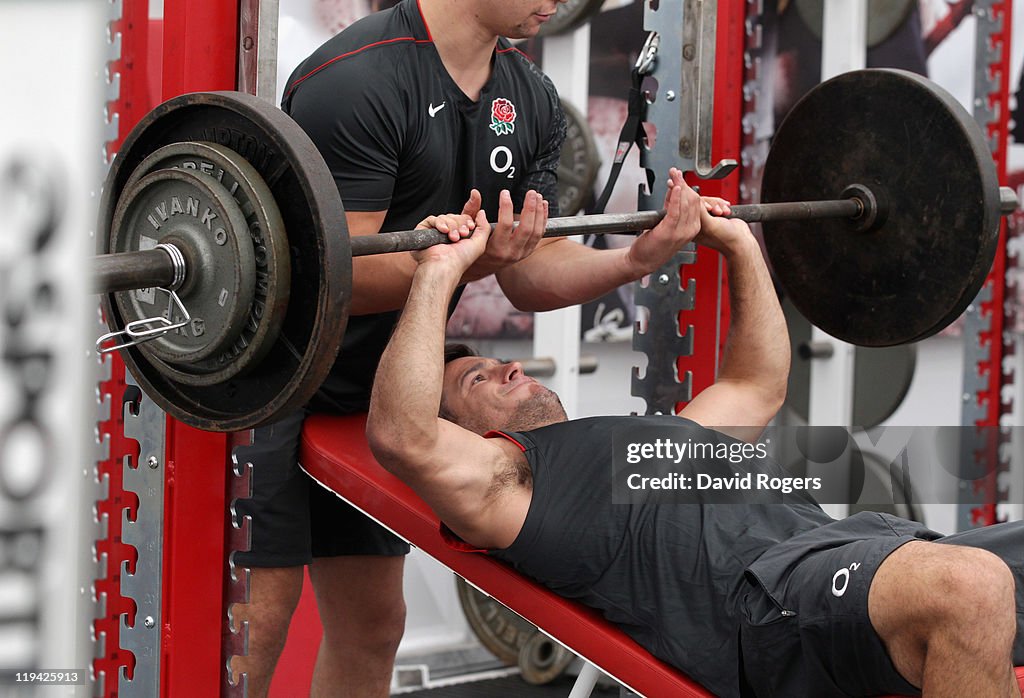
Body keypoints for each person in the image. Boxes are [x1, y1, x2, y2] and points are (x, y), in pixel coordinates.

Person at [365, 172, 1024, 697]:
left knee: (974, 581)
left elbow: (757, 385)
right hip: (770, 607)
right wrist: (438, 274)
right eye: (476, 380)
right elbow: (402, 436)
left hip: (851, 550)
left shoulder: (643, 444)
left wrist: (737, 243)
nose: (508, 365)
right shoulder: (514, 486)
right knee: (968, 588)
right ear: (466, 435)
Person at [231, 1, 719, 694]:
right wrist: (479, 262)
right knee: (253, 625)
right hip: (272, 373)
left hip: (381, 381)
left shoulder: (531, 99)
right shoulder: (356, 79)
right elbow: (334, 273)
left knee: (373, 624)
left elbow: (528, 269)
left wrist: (634, 261)